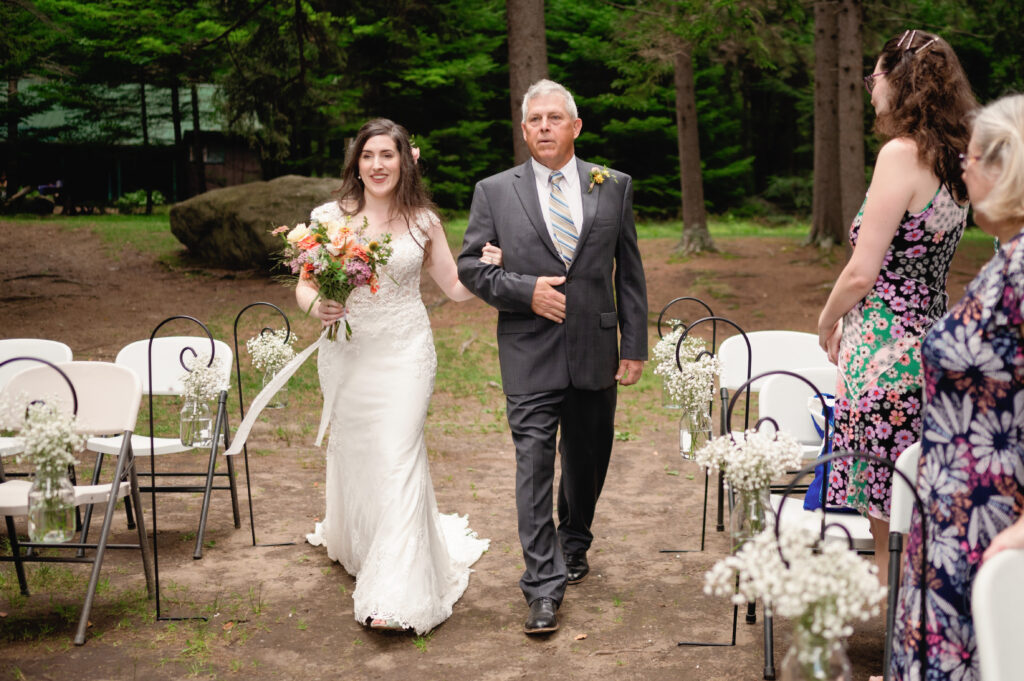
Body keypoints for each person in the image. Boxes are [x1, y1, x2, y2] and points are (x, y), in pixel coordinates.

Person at [457, 79, 648, 635]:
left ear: (575, 126)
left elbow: (629, 273)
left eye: (553, 118)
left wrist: (633, 344)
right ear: (523, 130)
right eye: (534, 119)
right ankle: (542, 585)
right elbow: (474, 267)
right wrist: (526, 291)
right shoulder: (494, 191)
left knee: (587, 459)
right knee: (535, 465)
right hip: (528, 350)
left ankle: (575, 539)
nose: (543, 127)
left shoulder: (611, 186)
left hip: (595, 347)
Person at [296, 118, 500, 634]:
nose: (377, 165)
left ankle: (397, 592)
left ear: (405, 160)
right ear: (356, 163)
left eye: (387, 154)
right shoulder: (328, 218)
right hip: (348, 354)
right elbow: (304, 285)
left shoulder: (423, 222)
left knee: (398, 454)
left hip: (407, 352)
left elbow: (454, 287)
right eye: (368, 156)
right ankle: (365, 543)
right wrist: (318, 303)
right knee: (361, 453)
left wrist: (488, 266)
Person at [816, 30, 977, 583]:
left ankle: (898, 645)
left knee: (888, 523)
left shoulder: (900, 154)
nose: (870, 90)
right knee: (921, 513)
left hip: (882, 357)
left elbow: (863, 270)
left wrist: (826, 318)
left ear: (899, 79)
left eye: (874, 78)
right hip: (934, 347)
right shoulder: (956, 161)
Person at [888, 93, 1024, 681]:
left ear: (1007, 165)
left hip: (991, 525)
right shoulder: (1004, 258)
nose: (961, 168)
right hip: (948, 520)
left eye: (971, 157)